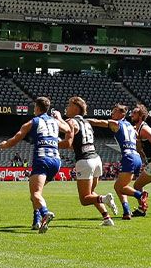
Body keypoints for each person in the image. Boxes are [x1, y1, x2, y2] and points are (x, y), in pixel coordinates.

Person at [0, 96, 70, 233]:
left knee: (35, 193)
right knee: (36, 194)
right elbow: (68, 129)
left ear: (37, 108)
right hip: (56, 161)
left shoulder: (32, 122)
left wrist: (4, 145)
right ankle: (36, 221)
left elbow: (16, 139)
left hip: (42, 159)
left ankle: (45, 214)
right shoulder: (55, 121)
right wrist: (59, 118)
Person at [60, 96, 116, 226]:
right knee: (91, 193)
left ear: (76, 108)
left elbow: (67, 144)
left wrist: (52, 143)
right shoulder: (86, 122)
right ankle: (107, 218)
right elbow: (76, 144)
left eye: (69, 105)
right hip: (96, 159)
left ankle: (104, 198)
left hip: (85, 161)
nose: (66, 108)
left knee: (84, 199)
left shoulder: (71, 122)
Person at [87, 103, 144, 220]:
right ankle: (126, 212)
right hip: (136, 157)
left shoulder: (117, 124)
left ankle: (140, 195)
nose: (112, 113)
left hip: (128, 157)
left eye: (115, 111)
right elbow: (137, 137)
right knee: (121, 186)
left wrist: (83, 120)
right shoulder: (131, 126)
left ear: (122, 114)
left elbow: (97, 122)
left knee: (119, 187)